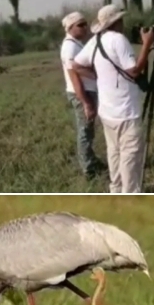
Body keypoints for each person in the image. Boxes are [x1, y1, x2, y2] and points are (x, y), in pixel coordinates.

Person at [73, 4, 154, 194]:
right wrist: (147, 44)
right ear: (117, 22)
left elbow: (76, 65)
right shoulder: (119, 40)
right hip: (126, 111)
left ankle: (116, 190)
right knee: (130, 156)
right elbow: (134, 71)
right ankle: (131, 194)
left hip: (107, 111)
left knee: (115, 152)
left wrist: (100, 75)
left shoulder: (96, 41)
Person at [60, 11, 107, 180]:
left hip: (86, 92)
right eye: (80, 25)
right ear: (70, 28)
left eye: (85, 23)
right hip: (81, 93)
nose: (85, 27)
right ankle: (88, 169)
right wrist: (86, 102)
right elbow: (74, 76)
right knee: (84, 131)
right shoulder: (70, 47)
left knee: (88, 130)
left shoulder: (76, 44)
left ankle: (91, 160)